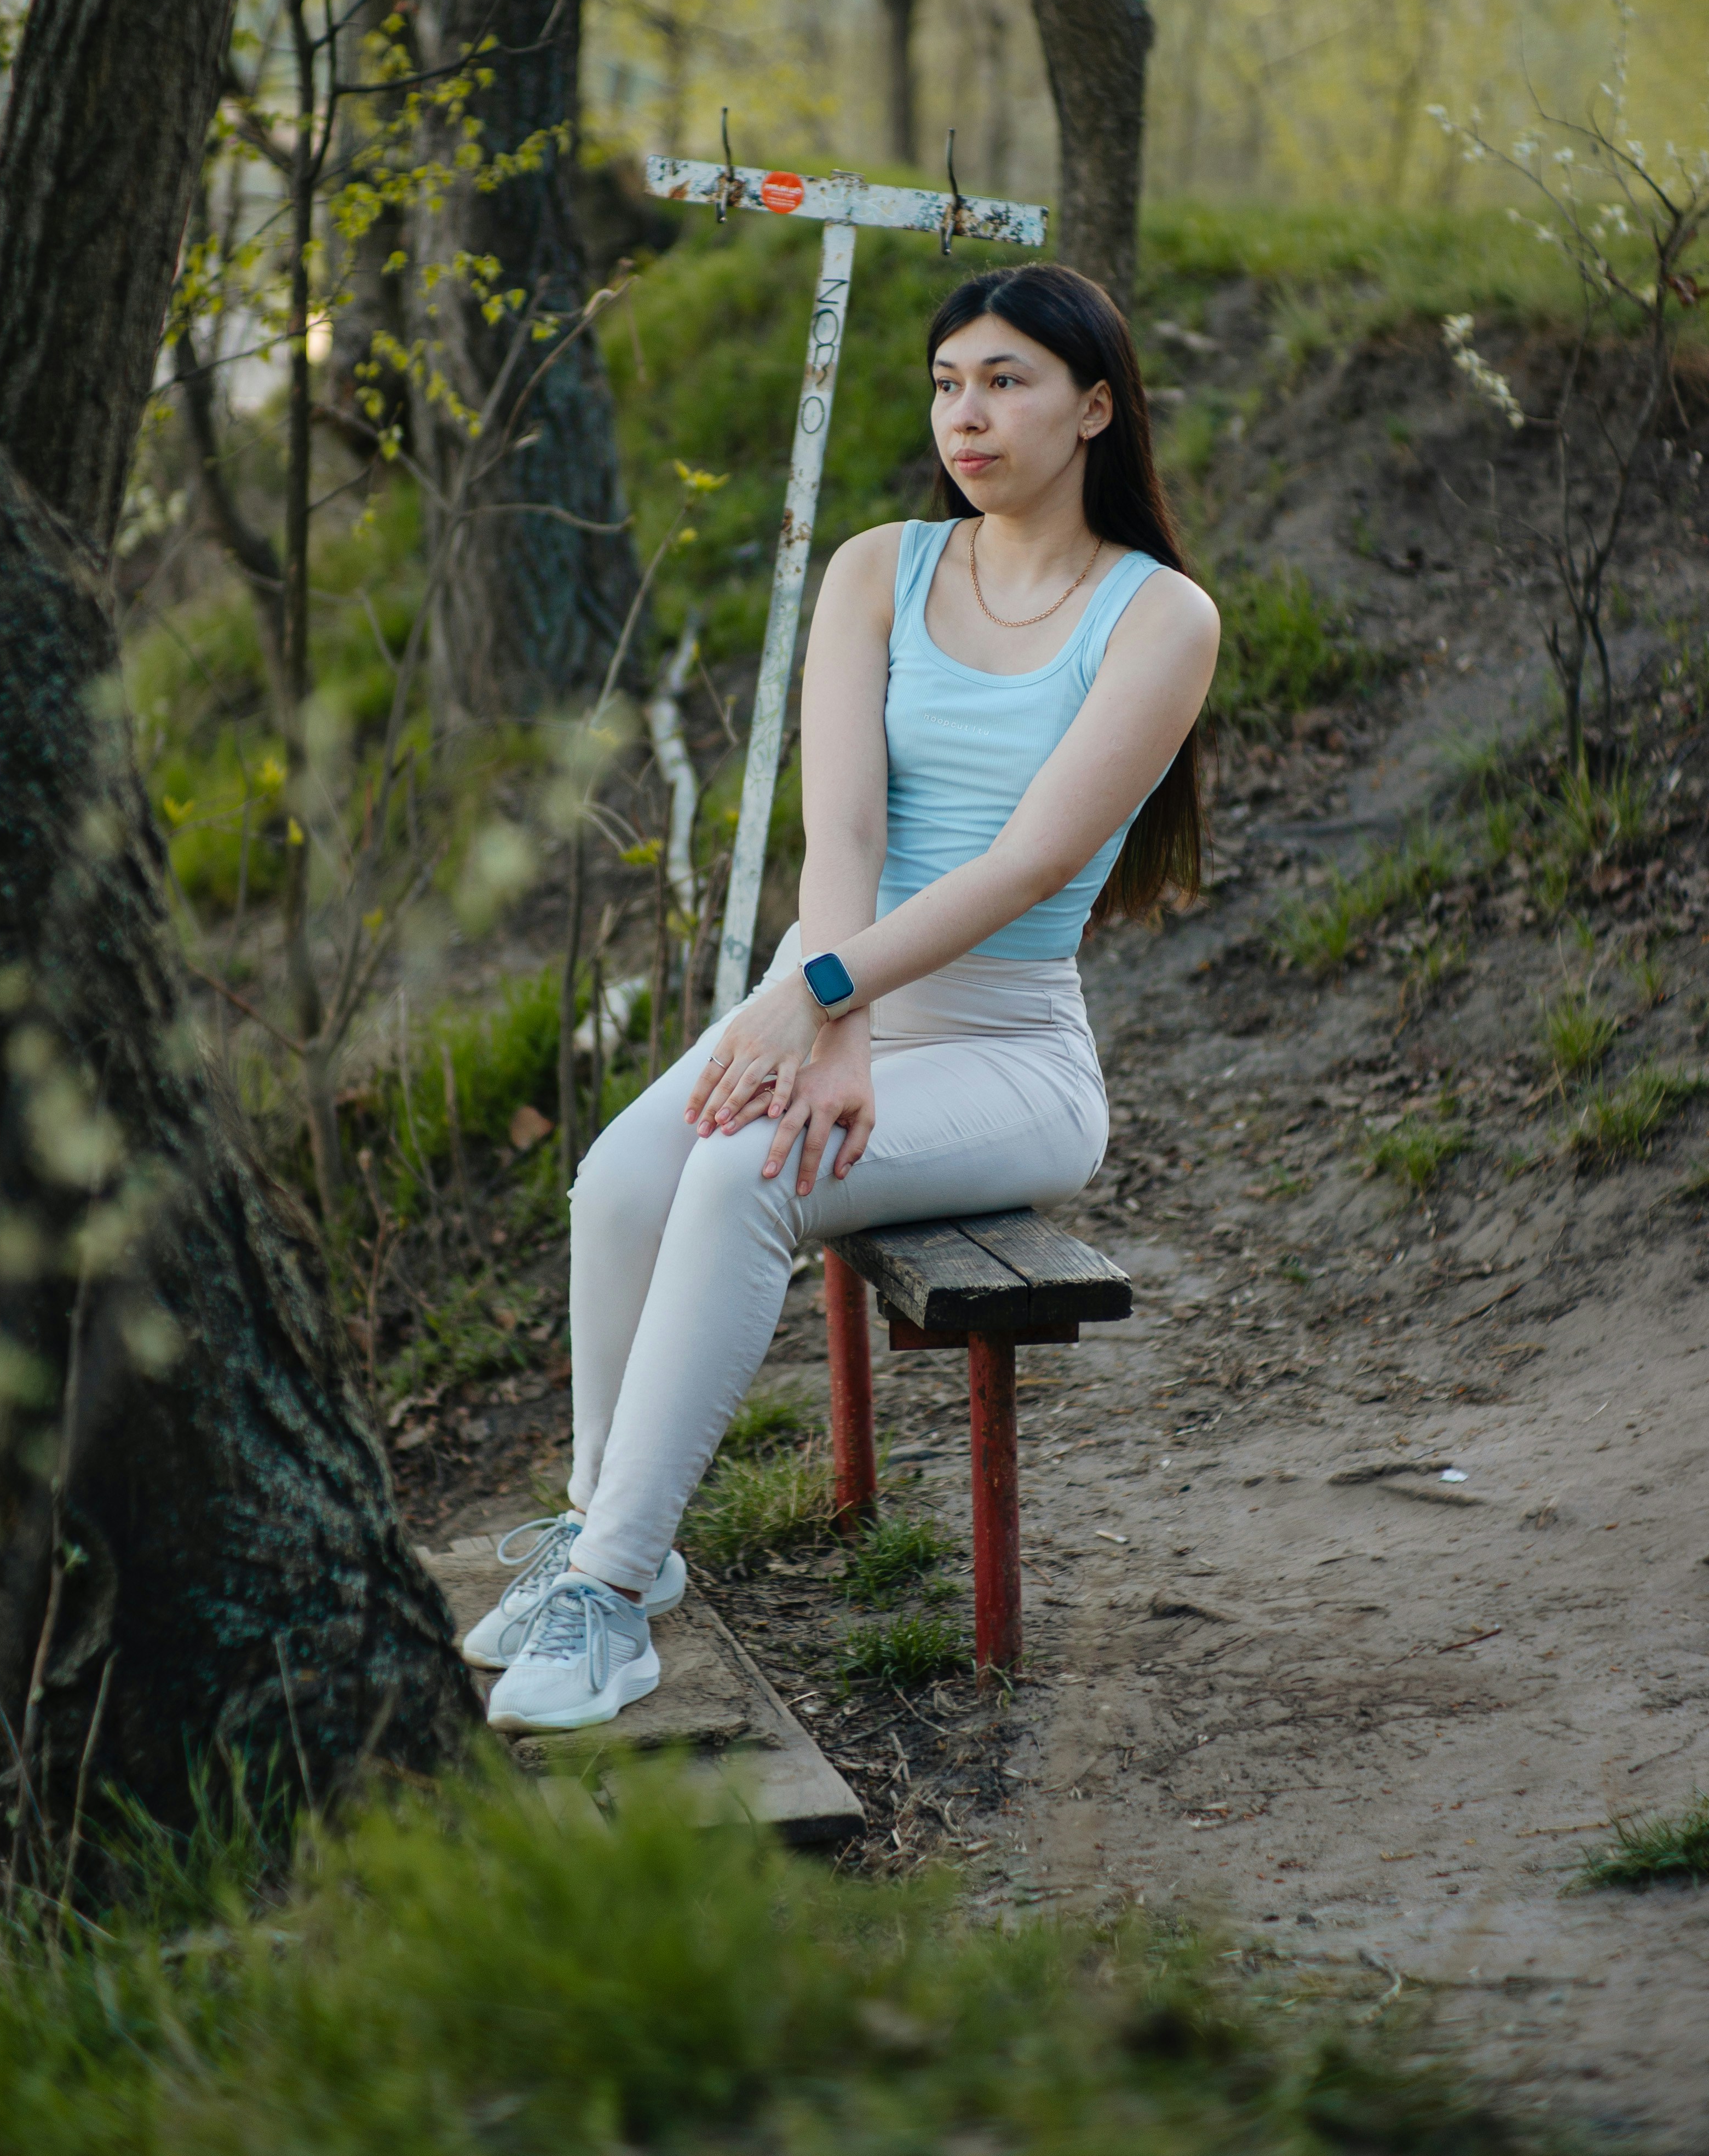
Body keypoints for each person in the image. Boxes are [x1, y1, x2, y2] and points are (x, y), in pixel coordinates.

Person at [464, 260, 1219, 1729]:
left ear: (1097, 409)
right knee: (621, 1182)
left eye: (1006, 381)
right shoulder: (879, 565)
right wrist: (831, 1013)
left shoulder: (1158, 618)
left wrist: (817, 993)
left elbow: (1027, 863)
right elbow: (849, 830)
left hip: (1007, 1053)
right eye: (948, 383)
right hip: (834, 993)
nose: (968, 415)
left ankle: (611, 1595)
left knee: (749, 1170)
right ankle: (599, 1528)